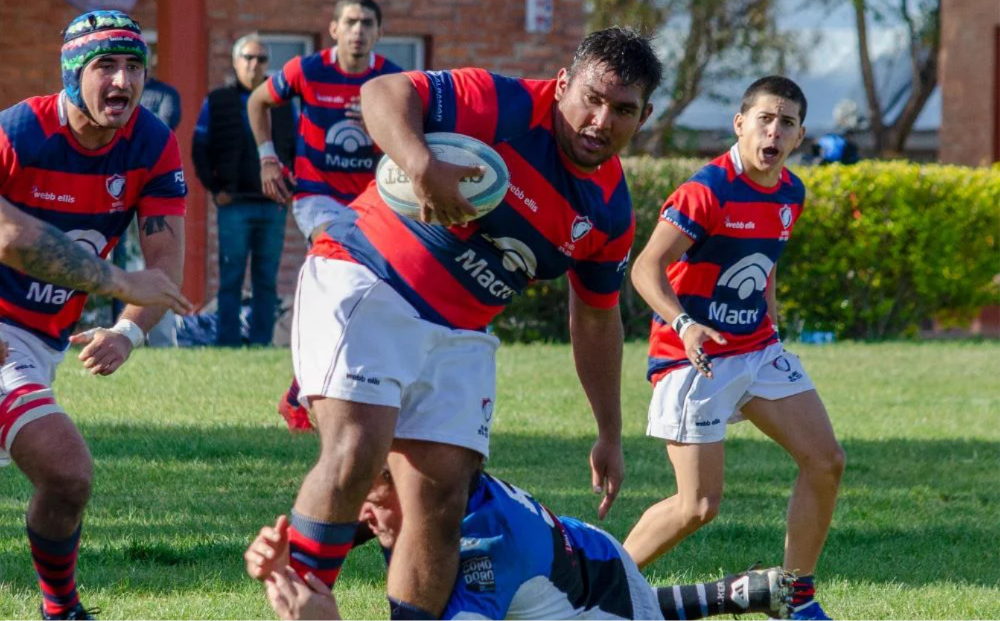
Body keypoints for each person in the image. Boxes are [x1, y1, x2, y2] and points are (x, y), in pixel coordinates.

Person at [277, 25, 660, 621]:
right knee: (357, 449)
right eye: (591, 97)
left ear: (644, 116)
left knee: (440, 497)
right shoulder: (504, 103)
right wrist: (420, 162)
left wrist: (609, 431)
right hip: (367, 279)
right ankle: (302, 607)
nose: (601, 120)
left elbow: (595, 317)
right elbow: (382, 92)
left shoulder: (609, 209)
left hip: (461, 332)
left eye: (623, 110)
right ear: (563, 85)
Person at [621, 76, 845, 621]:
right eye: (765, 118)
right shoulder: (707, 190)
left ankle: (795, 597)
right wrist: (685, 323)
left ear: (799, 136)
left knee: (826, 461)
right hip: (691, 358)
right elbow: (645, 269)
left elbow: (761, 264)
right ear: (740, 123)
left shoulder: (792, 192)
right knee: (697, 506)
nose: (775, 130)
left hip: (757, 350)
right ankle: (598, 586)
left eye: (787, 122)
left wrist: (769, 321)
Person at [0, 10, 187, 621]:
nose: (122, 81)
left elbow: (161, 267)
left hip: (40, 340)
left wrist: (128, 328)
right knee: (69, 471)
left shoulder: (152, 141)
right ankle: (64, 611)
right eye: (105, 64)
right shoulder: (19, 132)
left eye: (134, 66)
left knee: (64, 482)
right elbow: (8, 235)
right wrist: (112, 278)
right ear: (73, 71)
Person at [245, 464, 795, 621]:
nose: (364, 516)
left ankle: (729, 595)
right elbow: (349, 520)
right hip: (586, 562)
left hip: (605, 592)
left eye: (373, 500)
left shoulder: (481, 547)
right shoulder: (427, 488)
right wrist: (287, 557)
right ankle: (734, 594)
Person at [247, 0, 402, 431]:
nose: (358, 30)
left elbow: (412, 136)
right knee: (340, 273)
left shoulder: (390, 79)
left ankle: (311, 385)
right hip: (317, 196)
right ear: (334, 29)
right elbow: (258, 102)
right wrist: (267, 159)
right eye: (350, 22)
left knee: (363, 294)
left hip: (373, 200)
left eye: (366, 23)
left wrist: (379, 126)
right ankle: (309, 391)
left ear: (378, 32)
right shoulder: (306, 69)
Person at [193, 33, 296, 347]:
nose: (255, 64)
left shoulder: (283, 103)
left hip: (272, 204)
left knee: (266, 280)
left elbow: (295, 147)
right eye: (248, 58)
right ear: (236, 62)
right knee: (231, 279)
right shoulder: (217, 100)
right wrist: (215, 189)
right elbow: (200, 148)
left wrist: (289, 186)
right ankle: (228, 342)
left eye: (261, 59)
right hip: (233, 204)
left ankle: (261, 343)